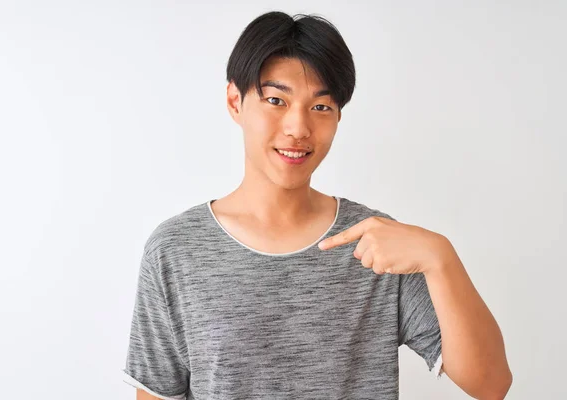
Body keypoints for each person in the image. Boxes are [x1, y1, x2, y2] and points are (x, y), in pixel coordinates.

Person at [122, 11, 512, 400]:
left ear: (338, 115)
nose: (298, 128)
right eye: (276, 100)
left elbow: (491, 385)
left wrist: (440, 256)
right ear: (235, 101)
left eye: (320, 107)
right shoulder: (177, 249)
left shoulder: (376, 244)